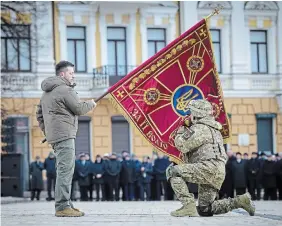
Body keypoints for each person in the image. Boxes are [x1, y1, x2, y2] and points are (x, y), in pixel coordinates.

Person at [166, 99, 255, 217]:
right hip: (217, 170)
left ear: (197, 114)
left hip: (207, 167)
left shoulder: (200, 128)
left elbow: (182, 145)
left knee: (172, 171)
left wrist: (181, 129)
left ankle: (188, 205)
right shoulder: (215, 129)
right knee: (205, 209)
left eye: (191, 112)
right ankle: (240, 201)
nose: (189, 115)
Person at [36, 60, 97, 217]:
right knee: (65, 170)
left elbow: (39, 114)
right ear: (62, 74)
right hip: (65, 135)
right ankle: (62, 206)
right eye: (71, 73)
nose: (73, 76)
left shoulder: (46, 92)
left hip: (56, 136)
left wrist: (48, 131)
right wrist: (90, 104)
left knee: (63, 169)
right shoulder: (65, 89)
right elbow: (78, 108)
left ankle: (67, 203)